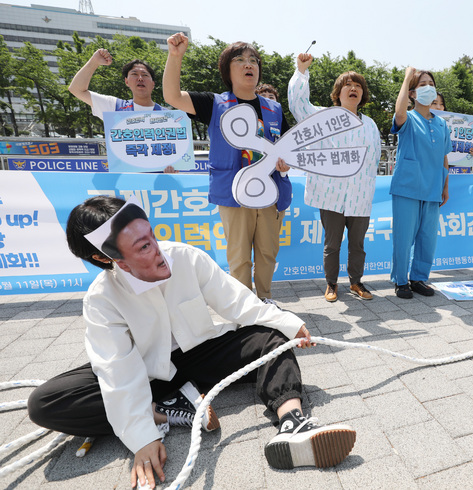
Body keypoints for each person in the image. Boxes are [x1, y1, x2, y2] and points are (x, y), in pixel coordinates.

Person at [27, 196, 356, 490]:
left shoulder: (185, 257)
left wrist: (290, 323)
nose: (157, 250)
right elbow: (118, 374)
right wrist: (142, 439)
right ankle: (163, 412)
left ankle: (292, 424)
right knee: (46, 402)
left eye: (151, 237)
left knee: (269, 338)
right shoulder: (101, 300)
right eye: (142, 247)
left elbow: (238, 302)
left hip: (200, 356)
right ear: (107, 259)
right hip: (146, 374)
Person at [163, 33, 292, 304]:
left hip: (270, 192)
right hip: (233, 194)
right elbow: (172, 96)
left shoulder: (275, 109)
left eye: (254, 60)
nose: (249, 65)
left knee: (268, 252)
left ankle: (266, 300)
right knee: (239, 256)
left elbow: (288, 148)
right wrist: (175, 57)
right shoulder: (214, 103)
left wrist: (286, 162)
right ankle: (244, 307)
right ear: (227, 70)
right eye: (241, 60)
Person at [288, 53, 381, 302]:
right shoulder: (323, 117)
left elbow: (374, 160)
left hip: (360, 195)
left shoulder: (371, 125)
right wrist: (301, 71)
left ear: (362, 94)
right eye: (348, 85)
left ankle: (356, 282)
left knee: (357, 244)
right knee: (332, 244)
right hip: (331, 195)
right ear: (338, 93)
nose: (354, 89)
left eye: (358, 86)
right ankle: (331, 284)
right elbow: (298, 105)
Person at [390, 67, 451, 299]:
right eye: (422, 84)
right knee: (404, 238)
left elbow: (444, 157)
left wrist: (445, 186)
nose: (429, 88)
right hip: (408, 187)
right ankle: (400, 280)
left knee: (428, 238)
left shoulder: (441, 124)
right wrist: (407, 78)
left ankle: (418, 278)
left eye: (431, 83)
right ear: (413, 93)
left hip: (433, 188)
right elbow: (399, 110)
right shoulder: (407, 118)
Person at [68, 50, 177, 173]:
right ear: (126, 81)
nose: (140, 78)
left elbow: (175, 157)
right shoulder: (114, 107)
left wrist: (173, 170)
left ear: (153, 83)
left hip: (157, 185)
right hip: (123, 184)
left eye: (145, 75)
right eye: (134, 74)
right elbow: (76, 89)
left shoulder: (168, 116)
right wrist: (94, 62)